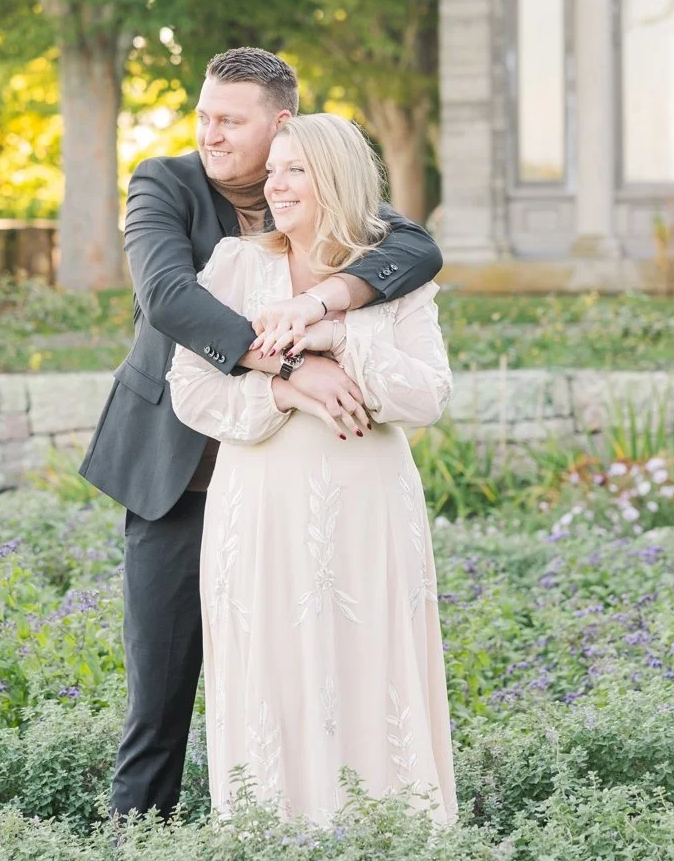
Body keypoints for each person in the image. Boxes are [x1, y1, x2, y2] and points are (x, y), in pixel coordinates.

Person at [79, 47, 443, 820]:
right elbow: (168, 297)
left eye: (229, 121)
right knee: (159, 689)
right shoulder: (165, 182)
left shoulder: (323, 186)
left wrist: (327, 302)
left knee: (311, 670)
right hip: (181, 471)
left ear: (281, 125)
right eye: (203, 116)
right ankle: (134, 839)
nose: (209, 134)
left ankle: (339, 820)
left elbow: (418, 250)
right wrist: (291, 368)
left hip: (304, 494)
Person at [166, 112, 456, 825]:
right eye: (273, 171)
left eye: (295, 169)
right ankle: (272, 831)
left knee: (370, 665)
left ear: (337, 177)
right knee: (271, 666)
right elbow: (191, 389)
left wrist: (338, 337)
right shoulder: (235, 265)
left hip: (369, 507)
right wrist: (288, 389)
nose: (276, 184)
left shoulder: (394, 278)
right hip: (259, 505)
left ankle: (387, 831)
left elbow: (427, 395)